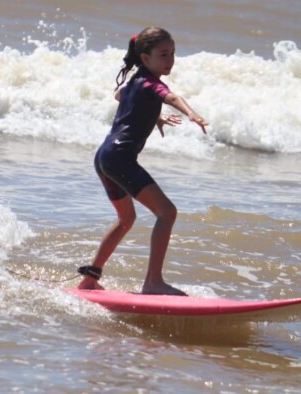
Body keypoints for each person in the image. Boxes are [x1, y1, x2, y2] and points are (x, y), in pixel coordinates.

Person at [77, 27, 208, 295]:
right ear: (146, 58)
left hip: (105, 156)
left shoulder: (135, 81)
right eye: (163, 54)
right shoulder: (151, 82)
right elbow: (171, 97)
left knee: (126, 219)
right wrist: (191, 113)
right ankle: (153, 282)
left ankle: (90, 278)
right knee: (167, 213)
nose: (170, 60)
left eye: (172, 53)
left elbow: (120, 96)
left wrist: (153, 117)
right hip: (120, 157)